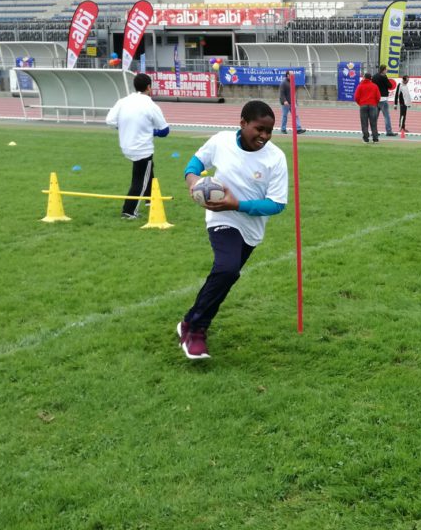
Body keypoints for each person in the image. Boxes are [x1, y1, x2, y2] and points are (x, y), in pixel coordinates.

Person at [177, 100, 288, 360]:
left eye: (269, 131)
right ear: (243, 123)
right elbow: (194, 164)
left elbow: (276, 205)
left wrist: (237, 204)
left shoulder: (275, 158)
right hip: (221, 218)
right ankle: (196, 332)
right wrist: (193, 182)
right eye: (259, 129)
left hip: (251, 227)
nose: (264, 136)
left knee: (226, 277)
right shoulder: (221, 141)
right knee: (226, 268)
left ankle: (188, 321)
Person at [105, 73, 169, 219]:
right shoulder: (150, 105)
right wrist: (152, 131)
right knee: (140, 179)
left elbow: (110, 121)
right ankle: (128, 211)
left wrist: (126, 128)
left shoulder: (123, 101)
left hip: (126, 145)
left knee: (148, 169)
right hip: (142, 148)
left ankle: (149, 199)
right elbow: (165, 130)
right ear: (149, 87)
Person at [354, 71, 381, 143]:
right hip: (373, 105)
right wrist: (375, 103)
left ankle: (366, 138)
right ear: (371, 78)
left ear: (364, 78)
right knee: (373, 123)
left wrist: (361, 103)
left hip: (363, 105)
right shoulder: (375, 86)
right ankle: (375, 139)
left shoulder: (360, 86)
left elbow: (356, 97)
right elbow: (378, 97)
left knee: (364, 123)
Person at [278, 70, 306, 135]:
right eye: (291, 75)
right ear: (287, 75)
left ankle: (298, 129)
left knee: (295, 115)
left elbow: (293, 93)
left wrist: (295, 101)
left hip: (292, 103)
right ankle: (283, 129)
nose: (293, 76)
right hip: (286, 103)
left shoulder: (292, 82)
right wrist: (284, 101)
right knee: (285, 116)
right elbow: (281, 93)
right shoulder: (283, 83)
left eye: (293, 75)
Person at [372, 64, 396, 136]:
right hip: (383, 99)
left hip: (376, 99)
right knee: (386, 116)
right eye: (386, 69)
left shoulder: (374, 76)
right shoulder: (384, 77)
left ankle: (374, 132)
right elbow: (390, 85)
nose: (387, 70)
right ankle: (389, 131)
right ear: (383, 70)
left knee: (375, 116)